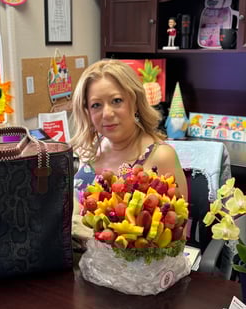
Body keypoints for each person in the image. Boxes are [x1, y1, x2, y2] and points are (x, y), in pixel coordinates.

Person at [71, 59, 188, 208]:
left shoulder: (162, 156)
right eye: (96, 105)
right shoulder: (90, 148)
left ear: (135, 103)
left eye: (116, 101)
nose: (107, 113)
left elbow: (179, 225)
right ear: (87, 111)